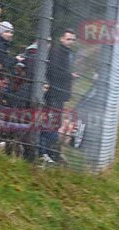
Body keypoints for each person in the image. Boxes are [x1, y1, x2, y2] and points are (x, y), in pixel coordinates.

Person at [40, 29, 78, 162]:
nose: (70, 42)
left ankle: (52, 152)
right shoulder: (56, 52)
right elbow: (54, 72)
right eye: (68, 39)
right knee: (51, 121)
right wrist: (70, 76)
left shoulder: (69, 53)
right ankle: (44, 151)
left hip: (61, 94)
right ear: (62, 39)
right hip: (54, 93)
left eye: (73, 40)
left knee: (55, 122)